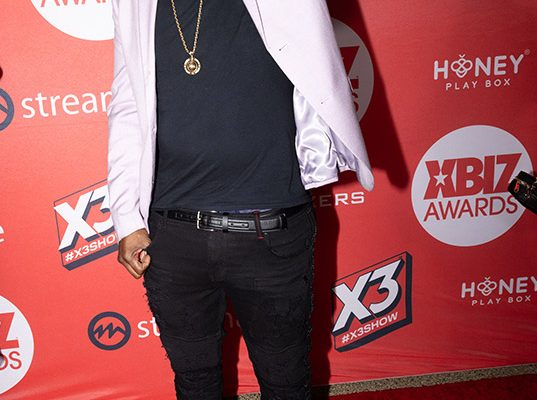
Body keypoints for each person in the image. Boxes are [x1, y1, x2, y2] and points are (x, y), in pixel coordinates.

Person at [107, 0, 373, 398]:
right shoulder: (133, 3)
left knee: (286, 385)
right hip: (174, 237)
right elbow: (128, 104)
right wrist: (127, 219)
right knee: (194, 384)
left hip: (272, 232)